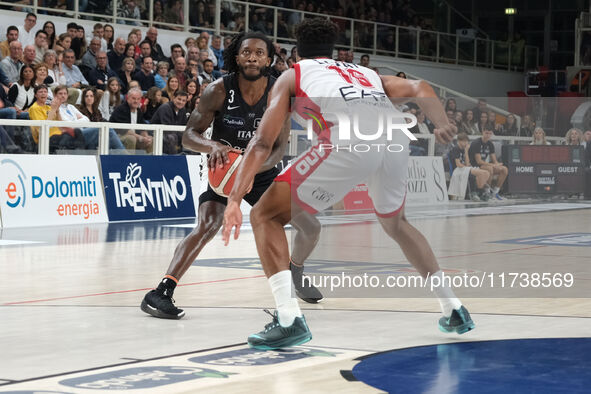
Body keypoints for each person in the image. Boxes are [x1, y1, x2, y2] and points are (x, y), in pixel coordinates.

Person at [221, 19, 472, 350]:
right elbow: (421, 87)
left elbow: (262, 144)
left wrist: (235, 200)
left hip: (348, 140)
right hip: (396, 140)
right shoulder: (364, 73)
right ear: (335, 51)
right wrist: (441, 124)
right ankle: (453, 308)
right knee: (397, 224)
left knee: (265, 216)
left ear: (297, 53)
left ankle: (288, 320)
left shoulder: (293, 75)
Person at [141, 31, 322, 321]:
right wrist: (213, 145)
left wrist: (250, 169)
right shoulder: (218, 90)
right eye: (246, 52)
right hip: (221, 167)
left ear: (269, 59)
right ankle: (161, 292)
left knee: (310, 225)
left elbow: (277, 149)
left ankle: (296, 271)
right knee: (208, 224)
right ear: (236, 57)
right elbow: (189, 136)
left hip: (261, 169)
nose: (252, 57)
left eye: (259, 53)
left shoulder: (280, 92)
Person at [29, 84, 86, 152]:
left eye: (45, 92)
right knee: (68, 137)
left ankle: (81, 155)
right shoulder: (34, 108)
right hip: (46, 138)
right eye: (41, 92)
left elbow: (60, 124)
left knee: (77, 132)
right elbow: (43, 128)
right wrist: (53, 110)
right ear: (35, 95)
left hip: (58, 134)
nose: (43, 94)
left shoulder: (48, 107)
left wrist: (58, 111)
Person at [468, 126, 508, 201]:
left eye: (490, 133)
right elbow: (478, 161)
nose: (488, 135)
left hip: (484, 165)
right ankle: (487, 193)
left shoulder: (490, 144)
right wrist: (493, 165)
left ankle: (495, 193)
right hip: (474, 166)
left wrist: (497, 165)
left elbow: (494, 159)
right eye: (486, 133)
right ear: (482, 132)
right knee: (489, 169)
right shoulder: (476, 143)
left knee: (504, 169)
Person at [448, 133, 491, 201]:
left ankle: (479, 192)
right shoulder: (456, 149)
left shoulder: (464, 149)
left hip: (464, 168)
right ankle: (477, 192)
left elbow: (467, 163)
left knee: (486, 173)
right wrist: (467, 167)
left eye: (467, 141)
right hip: (458, 169)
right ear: (459, 141)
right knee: (483, 173)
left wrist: (466, 151)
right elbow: (458, 164)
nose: (466, 143)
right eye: (464, 141)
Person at [150, 90, 188, 154]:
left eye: (183, 101)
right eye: (179, 99)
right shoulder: (165, 107)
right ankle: (173, 159)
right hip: (157, 134)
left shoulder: (183, 110)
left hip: (173, 134)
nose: (181, 102)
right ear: (173, 98)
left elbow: (183, 126)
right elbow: (167, 128)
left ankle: (188, 157)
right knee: (172, 137)